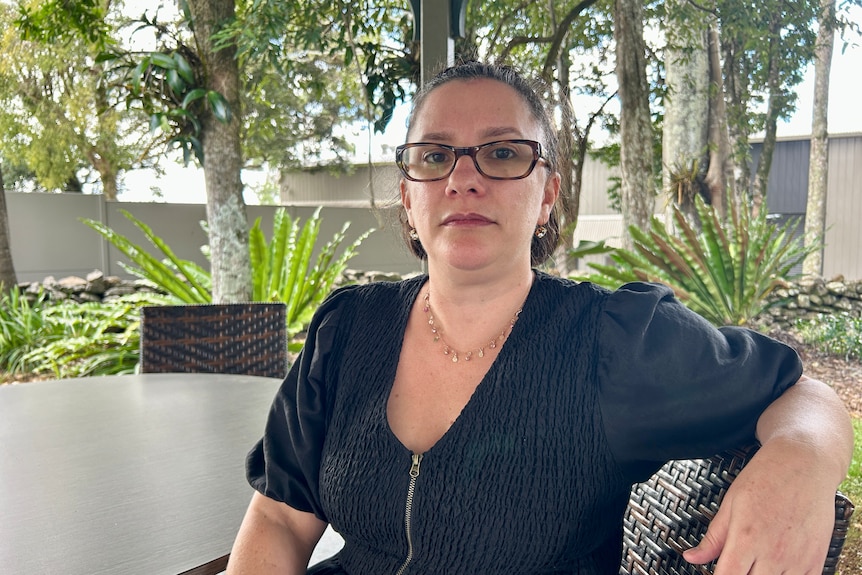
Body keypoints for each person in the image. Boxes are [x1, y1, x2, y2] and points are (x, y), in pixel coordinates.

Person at [226, 61, 853, 575]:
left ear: (547, 193)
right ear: (407, 193)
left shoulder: (615, 340)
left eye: (502, 153)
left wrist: (802, 456)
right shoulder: (346, 331)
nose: (463, 178)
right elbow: (282, 516)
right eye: (434, 155)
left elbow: (803, 393)